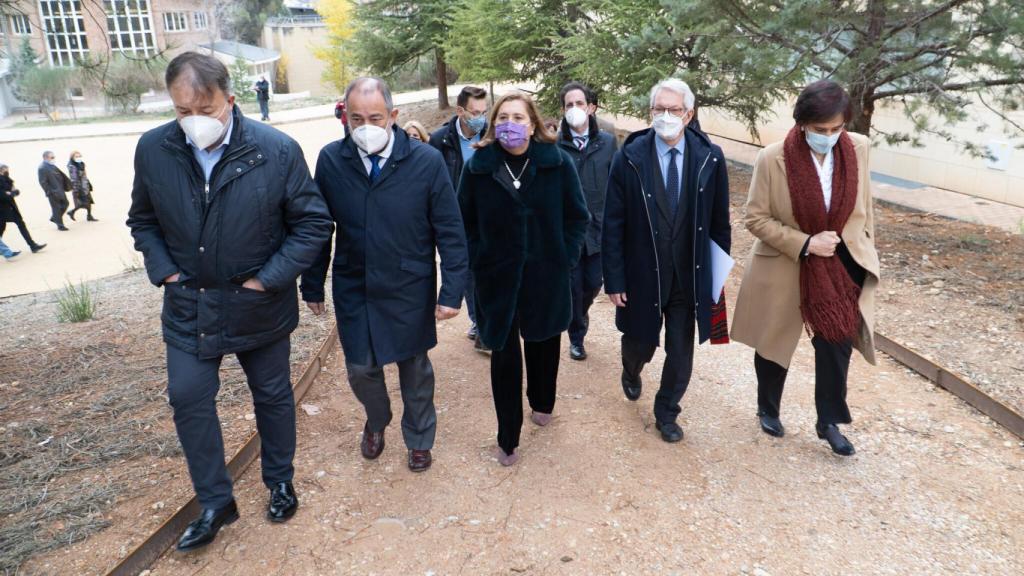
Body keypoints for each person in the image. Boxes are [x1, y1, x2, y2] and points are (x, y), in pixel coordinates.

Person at [126, 52, 333, 551]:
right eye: (181, 111)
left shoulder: (276, 150)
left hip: (257, 303)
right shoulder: (154, 149)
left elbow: (313, 223)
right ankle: (216, 501)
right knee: (188, 398)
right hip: (189, 305)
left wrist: (271, 279)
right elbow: (143, 220)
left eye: (206, 107)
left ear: (231, 98)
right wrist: (166, 271)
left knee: (273, 394)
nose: (194, 121)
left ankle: (279, 480)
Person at [302, 77, 468, 473]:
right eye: (356, 119)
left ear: (393, 116)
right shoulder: (331, 160)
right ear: (345, 117)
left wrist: (452, 291)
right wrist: (311, 283)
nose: (366, 127)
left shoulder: (425, 162)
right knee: (361, 369)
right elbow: (318, 227)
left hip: (409, 284)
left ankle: (419, 438)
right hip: (355, 284)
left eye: (375, 118)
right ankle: (377, 420)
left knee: (415, 371)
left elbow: (450, 229)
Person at [731, 80, 879, 456]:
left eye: (836, 129)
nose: (829, 137)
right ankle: (768, 406)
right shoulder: (772, 157)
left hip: (840, 261)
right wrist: (806, 244)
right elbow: (755, 219)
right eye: (819, 130)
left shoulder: (859, 149)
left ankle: (828, 420)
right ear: (802, 124)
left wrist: (864, 251)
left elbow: (865, 208)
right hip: (786, 261)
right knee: (774, 340)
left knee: (837, 341)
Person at [458, 92, 589, 466]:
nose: (509, 124)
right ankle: (508, 437)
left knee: (544, 342)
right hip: (495, 277)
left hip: (546, 272)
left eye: (518, 117)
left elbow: (577, 217)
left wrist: (564, 256)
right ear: (493, 124)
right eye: (502, 117)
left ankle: (543, 399)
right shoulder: (478, 167)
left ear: (532, 124)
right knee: (503, 355)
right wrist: (477, 258)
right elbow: (463, 220)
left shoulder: (557, 163)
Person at [602, 78, 731, 444]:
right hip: (642, 274)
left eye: (674, 110)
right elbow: (612, 224)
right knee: (639, 341)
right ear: (650, 113)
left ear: (689, 114)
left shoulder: (711, 157)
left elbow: (720, 225)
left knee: (681, 350)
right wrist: (614, 279)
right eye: (659, 109)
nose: (666, 116)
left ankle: (667, 411)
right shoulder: (629, 157)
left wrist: (716, 281)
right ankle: (631, 370)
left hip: (688, 276)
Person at [556, 82, 617, 361]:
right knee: (570, 287)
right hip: (567, 233)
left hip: (599, 229)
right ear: (563, 110)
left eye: (580, 104)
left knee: (592, 284)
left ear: (591, 108)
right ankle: (576, 337)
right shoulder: (554, 147)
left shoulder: (607, 143)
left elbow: (616, 185)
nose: (575, 109)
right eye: (569, 105)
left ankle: (579, 315)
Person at [429, 86, 490, 351]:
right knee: (466, 273)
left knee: (487, 272)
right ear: (460, 111)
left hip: (488, 219)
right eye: (474, 112)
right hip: (455, 220)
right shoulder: (440, 140)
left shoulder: (493, 136)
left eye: (484, 112)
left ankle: (485, 322)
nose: (480, 118)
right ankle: (480, 323)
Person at [0, 164, 46, 253]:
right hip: (2, 210)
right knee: (2, 228)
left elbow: (16, 191)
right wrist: (10, 193)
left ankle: (32, 245)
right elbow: (3, 196)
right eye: (5, 170)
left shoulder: (7, 179)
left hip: (11, 208)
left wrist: (11, 193)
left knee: (21, 225)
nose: (7, 171)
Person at [38, 150, 71, 231]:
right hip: (53, 192)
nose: (54, 158)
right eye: (52, 157)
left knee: (66, 204)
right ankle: (60, 225)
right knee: (56, 208)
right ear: (46, 158)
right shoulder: (42, 168)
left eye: (54, 157)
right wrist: (50, 192)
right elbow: (43, 182)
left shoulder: (51, 165)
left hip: (60, 190)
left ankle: (54, 218)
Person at [66, 151, 97, 222]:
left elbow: (84, 175)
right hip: (79, 187)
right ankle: (71, 212)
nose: (78, 158)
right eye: (76, 157)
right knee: (81, 203)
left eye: (79, 156)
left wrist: (87, 183)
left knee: (88, 201)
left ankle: (89, 216)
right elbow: (74, 179)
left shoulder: (81, 164)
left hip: (85, 185)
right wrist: (76, 189)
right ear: (72, 158)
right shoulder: (72, 166)